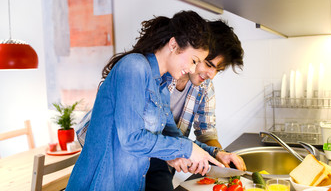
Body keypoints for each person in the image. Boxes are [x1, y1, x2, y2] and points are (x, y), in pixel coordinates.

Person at [66, 11, 224, 191]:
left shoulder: (161, 87)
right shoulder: (134, 67)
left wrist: (213, 154)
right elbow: (132, 139)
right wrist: (187, 150)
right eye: (193, 60)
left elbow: (173, 136)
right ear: (173, 45)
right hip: (100, 184)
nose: (192, 68)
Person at [145, 20, 246, 190]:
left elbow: (206, 134)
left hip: (165, 164)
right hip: (138, 163)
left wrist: (218, 158)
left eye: (218, 70)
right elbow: (139, 138)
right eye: (209, 64)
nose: (211, 75)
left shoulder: (204, 87)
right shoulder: (157, 76)